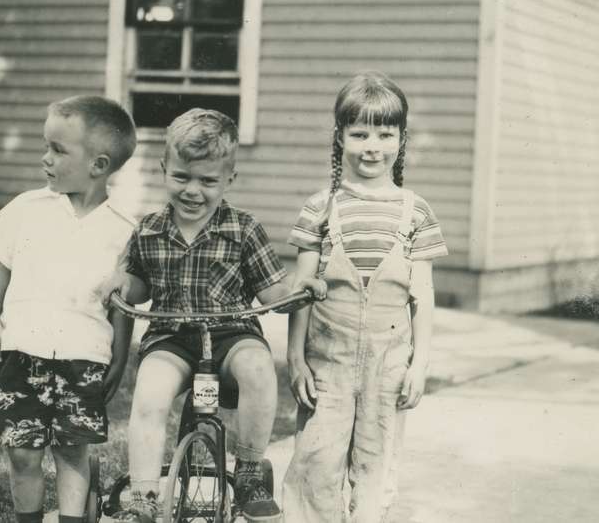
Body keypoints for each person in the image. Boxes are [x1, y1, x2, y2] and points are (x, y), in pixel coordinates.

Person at [282, 71, 448, 521]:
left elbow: (423, 297)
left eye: (384, 133)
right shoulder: (321, 208)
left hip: (389, 363)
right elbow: (300, 294)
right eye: (359, 134)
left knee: (376, 467)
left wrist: (420, 364)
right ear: (340, 137)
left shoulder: (416, 212)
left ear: (401, 138)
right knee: (316, 464)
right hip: (327, 361)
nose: (372, 146)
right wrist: (296, 359)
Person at [114, 108, 291, 523]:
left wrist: (300, 289)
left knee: (259, 368)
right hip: (172, 336)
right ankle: (142, 496)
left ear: (229, 179)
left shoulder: (244, 229)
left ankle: (248, 472)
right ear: (163, 171)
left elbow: (273, 291)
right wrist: (120, 279)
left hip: (231, 333)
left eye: (208, 181)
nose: (193, 190)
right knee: (149, 395)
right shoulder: (149, 229)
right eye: (181, 177)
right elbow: (137, 289)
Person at [0, 95, 138, 523]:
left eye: (58, 150)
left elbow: (122, 304)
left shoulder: (123, 228)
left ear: (98, 165)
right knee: (23, 452)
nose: (45, 159)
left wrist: (119, 356)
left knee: (71, 449)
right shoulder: (28, 208)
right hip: (23, 351)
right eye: (45, 146)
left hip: (83, 357)